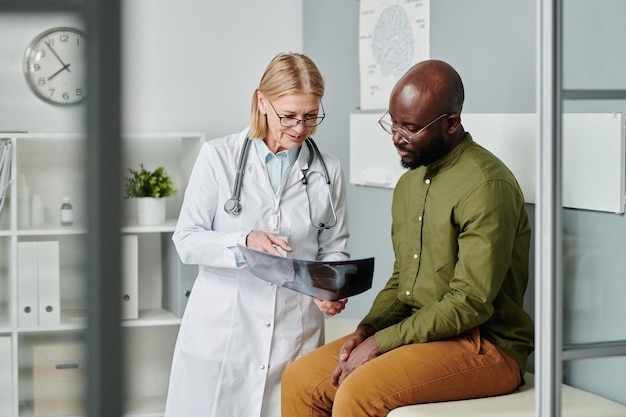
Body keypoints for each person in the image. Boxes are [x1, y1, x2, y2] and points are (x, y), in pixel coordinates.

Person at [281, 59, 534, 416]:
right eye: (393, 122)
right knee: (301, 381)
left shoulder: (486, 186)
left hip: (485, 345)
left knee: (357, 394)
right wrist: (368, 329)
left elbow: (470, 303)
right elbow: (405, 280)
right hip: (423, 333)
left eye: (411, 127)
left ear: (451, 123)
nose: (397, 137)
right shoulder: (409, 184)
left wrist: (382, 343)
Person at [164, 52, 350, 417]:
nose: (300, 128)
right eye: (289, 116)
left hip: (294, 333)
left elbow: (334, 247)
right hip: (224, 333)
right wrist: (243, 240)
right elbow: (186, 240)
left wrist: (332, 286)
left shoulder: (328, 169)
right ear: (262, 102)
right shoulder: (218, 157)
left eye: (311, 116)